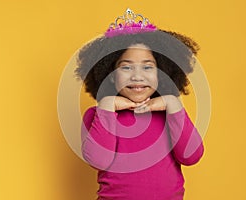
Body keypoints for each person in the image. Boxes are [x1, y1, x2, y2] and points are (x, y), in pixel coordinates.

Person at [75, 8, 204, 200]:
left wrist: (173, 104)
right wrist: (106, 106)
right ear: (110, 75)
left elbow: (191, 156)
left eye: (147, 67)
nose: (137, 76)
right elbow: (98, 160)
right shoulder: (97, 114)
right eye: (126, 67)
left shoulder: (168, 114)